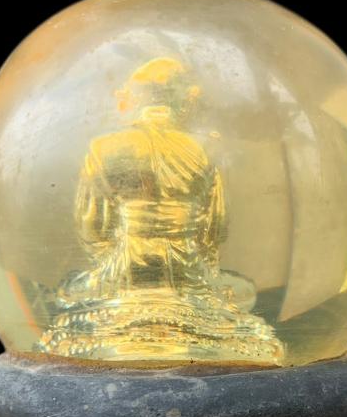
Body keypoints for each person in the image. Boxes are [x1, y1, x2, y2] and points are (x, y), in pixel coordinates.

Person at [38, 57, 284, 363]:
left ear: (134, 97)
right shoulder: (206, 148)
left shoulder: (104, 147)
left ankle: (129, 316)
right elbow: (215, 227)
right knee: (243, 291)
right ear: (184, 100)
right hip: (189, 267)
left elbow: (91, 225)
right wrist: (203, 270)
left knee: (69, 292)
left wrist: (110, 264)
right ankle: (189, 320)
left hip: (125, 267)